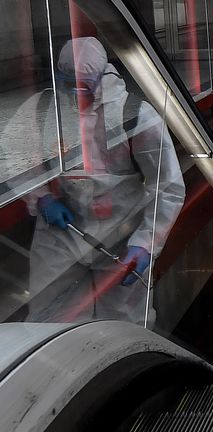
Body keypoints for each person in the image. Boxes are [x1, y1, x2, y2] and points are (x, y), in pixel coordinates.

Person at [4, 37, 185, 325]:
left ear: (103, 75)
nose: (76, 93)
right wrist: (41, 196)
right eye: (69, 83)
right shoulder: (42, 109)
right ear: (59, 76)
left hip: (121, 237)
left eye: (84, 85)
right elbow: (14, 154)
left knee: (125, 322)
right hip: (60, 237)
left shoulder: (135, 114)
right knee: (51, 320)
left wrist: (146, 242)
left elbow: (167, 185)